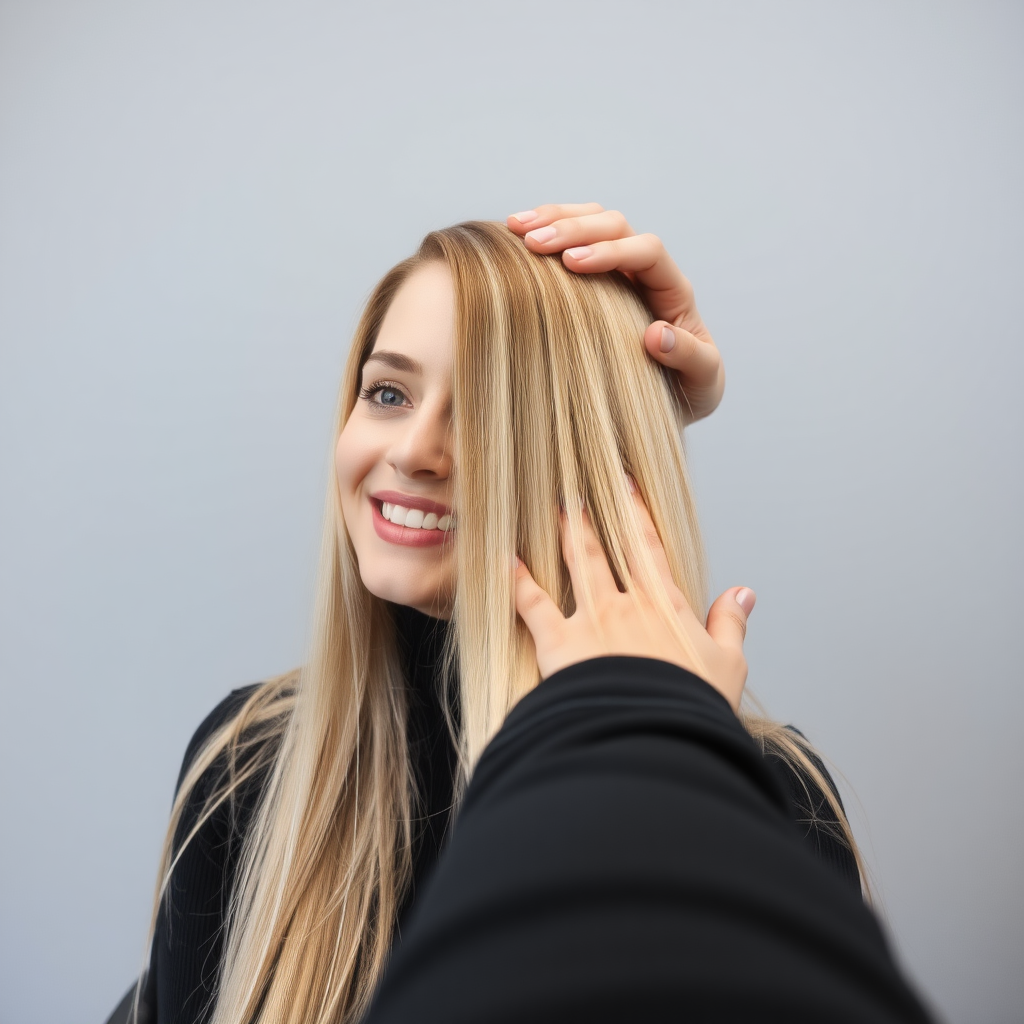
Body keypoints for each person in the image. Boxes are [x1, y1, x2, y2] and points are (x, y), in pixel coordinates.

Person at [121, 206, 868, 1024]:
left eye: (484, 414)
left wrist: (659, 780)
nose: (411, 451)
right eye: (389, 392)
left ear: (588, 462)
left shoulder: (769, 806)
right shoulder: (247, 765)